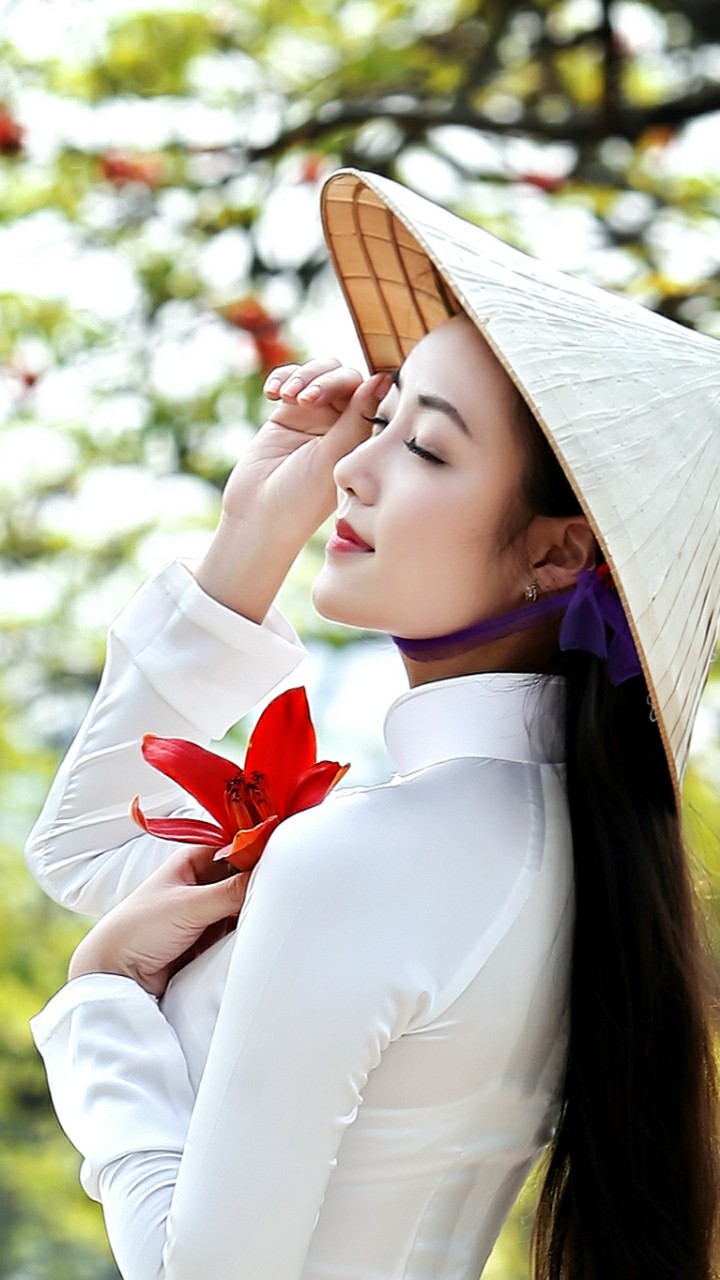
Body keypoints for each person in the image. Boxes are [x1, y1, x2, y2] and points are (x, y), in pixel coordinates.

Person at [27, 170, 720, 1280]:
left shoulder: (373, 854)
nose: (350, 464)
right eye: (383, 418)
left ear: (559, 552)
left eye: (425, 447)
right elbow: (87, 851)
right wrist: (256, 526)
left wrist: (102, 1006)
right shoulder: (559, 842)